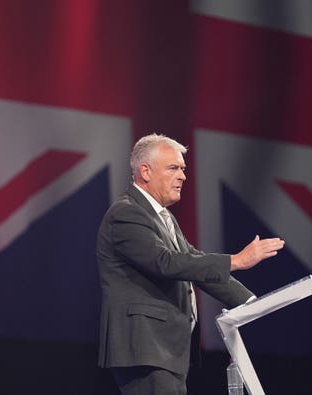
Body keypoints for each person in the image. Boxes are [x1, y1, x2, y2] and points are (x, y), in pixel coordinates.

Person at [96, 133, 285, 394]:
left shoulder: (164, 217)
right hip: (145, 347)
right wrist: (237, 260)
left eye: (183, 169)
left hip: (165, 348)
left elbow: (193, 261)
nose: (183, 176)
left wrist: (251, 303)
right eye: (173, 168)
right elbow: (166, 262)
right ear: (145, 171)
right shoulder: (126, 213)